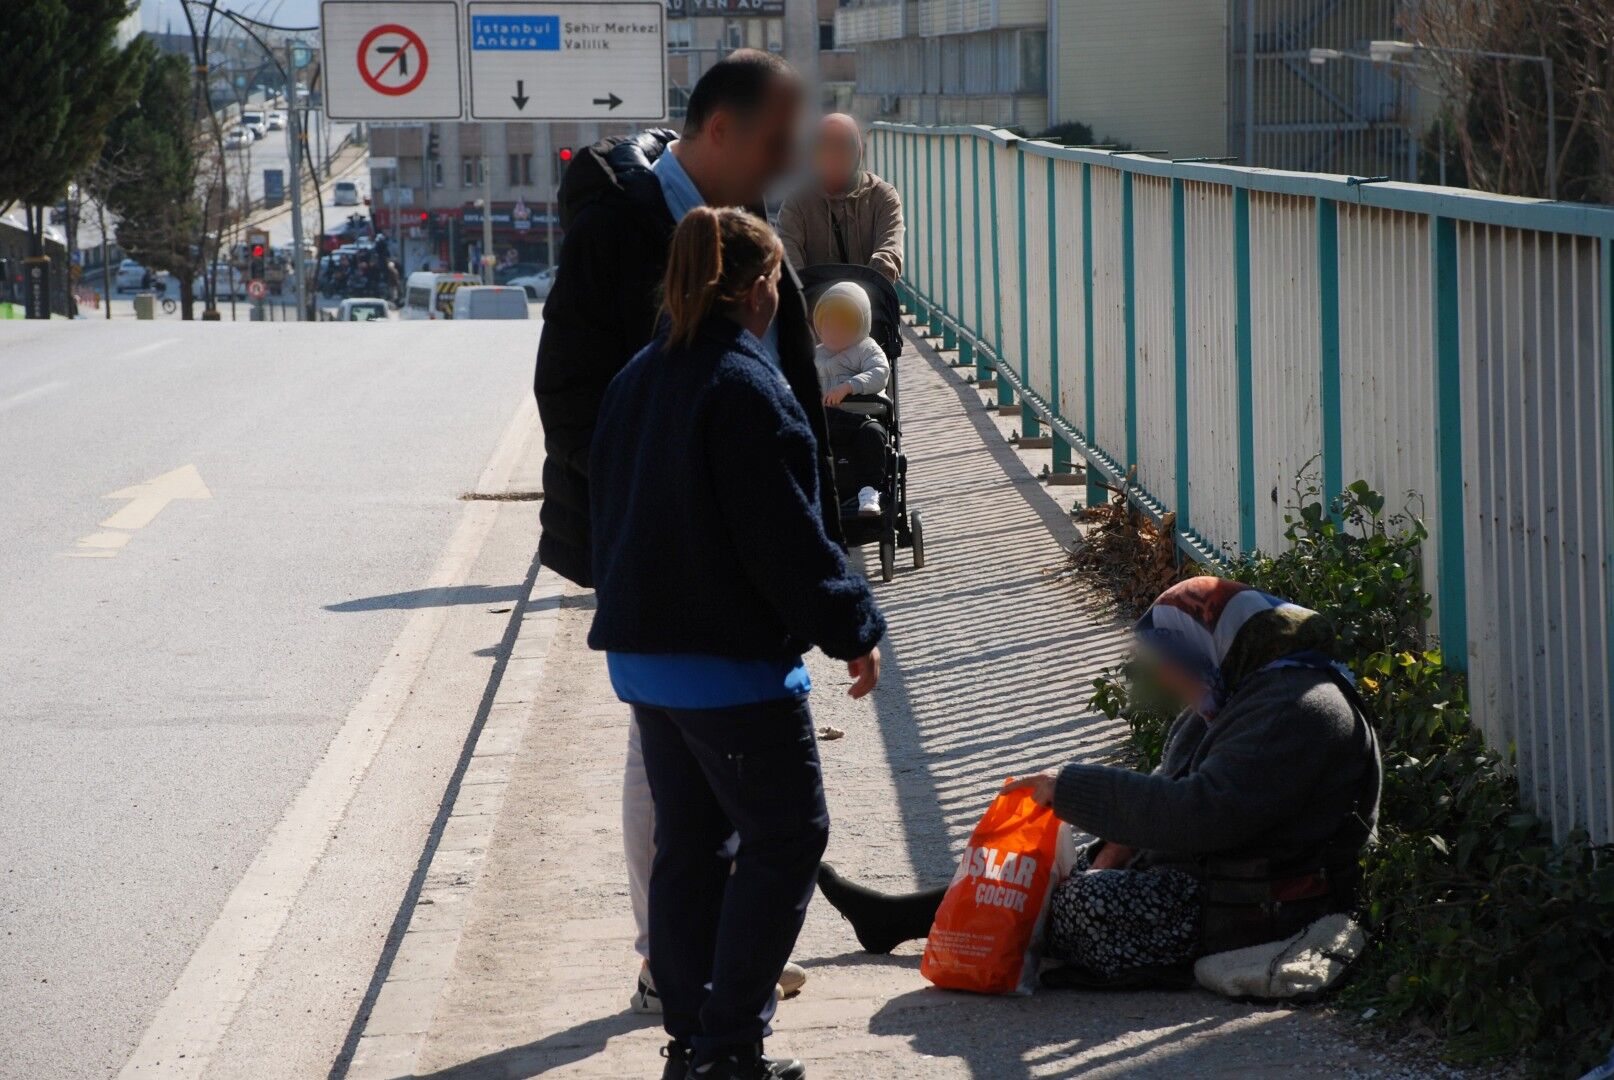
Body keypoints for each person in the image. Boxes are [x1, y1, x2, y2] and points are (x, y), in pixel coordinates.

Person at [531, 52, 837, 1025]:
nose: (786, 163)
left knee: (707, 774)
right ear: (719, 131)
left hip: (740, 542)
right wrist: (657, 501)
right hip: (659, 544)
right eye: (774, 143)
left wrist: (812, 532)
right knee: (673, 755)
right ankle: (676, 973)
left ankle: (710, 966)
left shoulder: (744, 222)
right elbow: (567, 394)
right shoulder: (621, 226)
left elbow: (784, 385)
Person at [589, 206, 885, 1080]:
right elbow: (787, 542)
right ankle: (727, 1047)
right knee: (788, 834)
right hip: (727, 670)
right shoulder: (748, 389)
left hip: (645, 662)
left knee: (690, 845)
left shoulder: (637, 376)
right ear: (759, 288)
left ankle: (693, 1043)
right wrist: (853, 628)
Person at [815, 577, 1382, 986]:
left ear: (1211, 643)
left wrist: (1068, 789)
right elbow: (1171, 787)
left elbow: (1200, 814)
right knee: (1048, 874)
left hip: (1265, 906)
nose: (1165, 675)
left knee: (1083, 903)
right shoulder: (1243, 693)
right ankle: (895, 919)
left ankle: (922, 925)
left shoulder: (1298, 708)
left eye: (1172, 657)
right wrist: (1111, 850)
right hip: (1220, 879)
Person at [777, 114, 904, 282]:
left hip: (869, 296)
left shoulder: (882, 196)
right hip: (812, 297)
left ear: (859, 149)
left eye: (844, 144)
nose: (834, 153)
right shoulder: (797, 203)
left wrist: (863, 290)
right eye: (825, 145)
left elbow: (890, 253)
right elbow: (788, 263)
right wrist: (807, 292)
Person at [812, 283, 890, 517]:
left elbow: (880, 372)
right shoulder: (815, 354)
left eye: (842, 325)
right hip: (826, 419)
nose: (833, 331)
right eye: (828, 325)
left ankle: (869, 491)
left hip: (860, 419)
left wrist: (848, 386)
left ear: (859, 324)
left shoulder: (866, 349)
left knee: (874, 434)